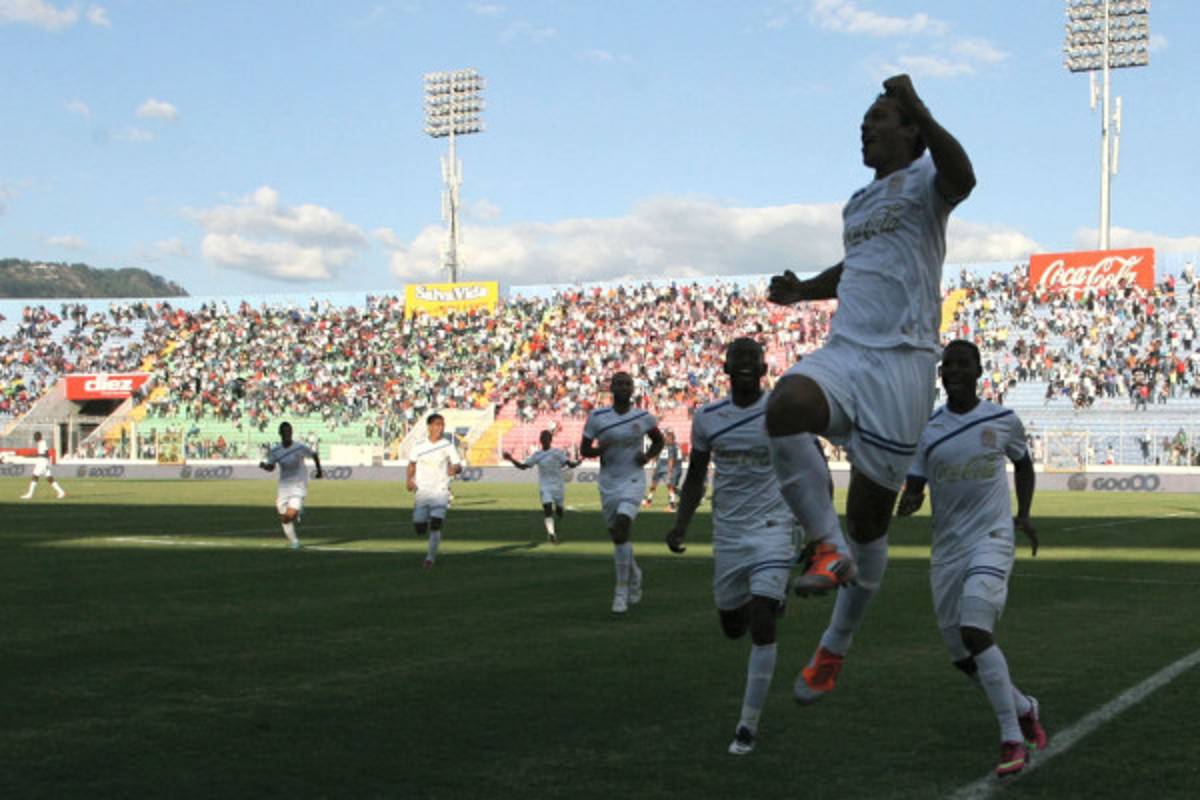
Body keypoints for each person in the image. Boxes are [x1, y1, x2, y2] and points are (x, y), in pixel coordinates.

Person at [764, 74, 976, 702]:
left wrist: (918, 104)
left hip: (903, 364)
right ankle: (823, 547)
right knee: (786, 406)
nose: (866, 126)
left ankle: (834, 648)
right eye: (866, 118)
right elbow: (855, 268)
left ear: (910, 130)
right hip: (847, 350)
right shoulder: (856, 203)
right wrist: (805, 289)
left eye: (880, 116)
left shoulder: (929, 184)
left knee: (869, 526)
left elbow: (964, 176)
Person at [897, 339, 1047, 778]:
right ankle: (1023, 706)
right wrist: (908, 499)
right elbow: (916, 485)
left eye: (964, 364)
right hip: (947, 548)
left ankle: (1011, 738)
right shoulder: (927, 430)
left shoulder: (1002, 420)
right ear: (940, 375)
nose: (956, 371)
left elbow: (1023, 464)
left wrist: (1023, 514)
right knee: (962, 655)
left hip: (993, 538)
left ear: (980, 370)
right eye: (949, 365)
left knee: (975, 629)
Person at [666, 338, 804, 756]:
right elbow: (695, 477)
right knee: (732, 626)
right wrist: (681, 524)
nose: (745, 365)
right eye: (737, 359)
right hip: (728, 533)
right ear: (724, 368)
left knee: (762, 622)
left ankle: (747, 725)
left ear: (764, 368)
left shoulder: (780, 411)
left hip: (774, 527)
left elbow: (808, 466)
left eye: (752, 359)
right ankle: (769, 595)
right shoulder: (707, 417)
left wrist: (818, 531)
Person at [580, 371, 665, 614]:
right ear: (611, 388)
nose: (623, 386)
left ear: (633, 389)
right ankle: (635, 573)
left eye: (627, 383)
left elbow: (658, 441)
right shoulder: (597, 417)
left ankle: (621, 590)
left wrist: (647, 456)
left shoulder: (643, 417)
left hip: (633, 479)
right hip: (608, 481)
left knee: (621, 528)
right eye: (618, 383)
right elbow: (585, 449)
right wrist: (599, 450)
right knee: (618, 537)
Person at [404, 413, 464, 568]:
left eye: (442, 424)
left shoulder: (447, 445)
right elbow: (412, 464)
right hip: (422, 491)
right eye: (437, 424)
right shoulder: (419, 446)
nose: (440, 427)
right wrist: (409, 479)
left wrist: (454, 469)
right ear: (429, 426)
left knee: (436, 524)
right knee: (420, 528)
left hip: (440, 491)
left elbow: (458, 465)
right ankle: (424, 518)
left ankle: (430, 558)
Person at [503, 430, 581, 544]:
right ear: (540, 440)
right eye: (542, 438)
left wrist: (578, 462)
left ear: (550, 440)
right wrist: (511, 459)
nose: (544, 440)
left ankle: (558, 516)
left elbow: (569, 464)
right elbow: (523, 466)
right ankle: (551, 534)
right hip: (545, 487)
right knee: (548, 509)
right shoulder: (537, 455)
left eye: (546, 438)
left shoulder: (557, 452)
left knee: (559, 510)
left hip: (558, 486)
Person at [258, 421, 322, 549]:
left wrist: (319, 471)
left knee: (291, 515)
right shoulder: (276, 450)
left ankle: (297, 512)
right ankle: (294, 541)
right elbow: (271, 467)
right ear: (280, 433)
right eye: (285, 431)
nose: (288, 434)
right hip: (284, 487)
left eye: (290, 431)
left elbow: (314, 454)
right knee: (285, 519)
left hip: (298, 485)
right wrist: (264, 466)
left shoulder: (299, 447)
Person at [20, 431, 66, 500]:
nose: (34, 438)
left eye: (35, 436)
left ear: (39, 437)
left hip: (42, 462)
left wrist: (35, 455)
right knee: (49, 478)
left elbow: (46, 454)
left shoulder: (42, 443)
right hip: (44, 462)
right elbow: (45, 454)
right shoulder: (40, 443)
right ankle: (61, 492)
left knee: (35, 476)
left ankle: (29, 494)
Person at [644, 430, 683, 510]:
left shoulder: (671, 447)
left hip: (665, 469)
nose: (666, 438)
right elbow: (656, 455)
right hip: (659, 467)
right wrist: (653, 466)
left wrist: (670, 471)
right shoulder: (662, 445)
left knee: (670, 487)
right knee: (654, 485)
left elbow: (671, 460)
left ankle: (672, 505)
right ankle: (649, 501)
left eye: (668, 437)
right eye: (665, 437)